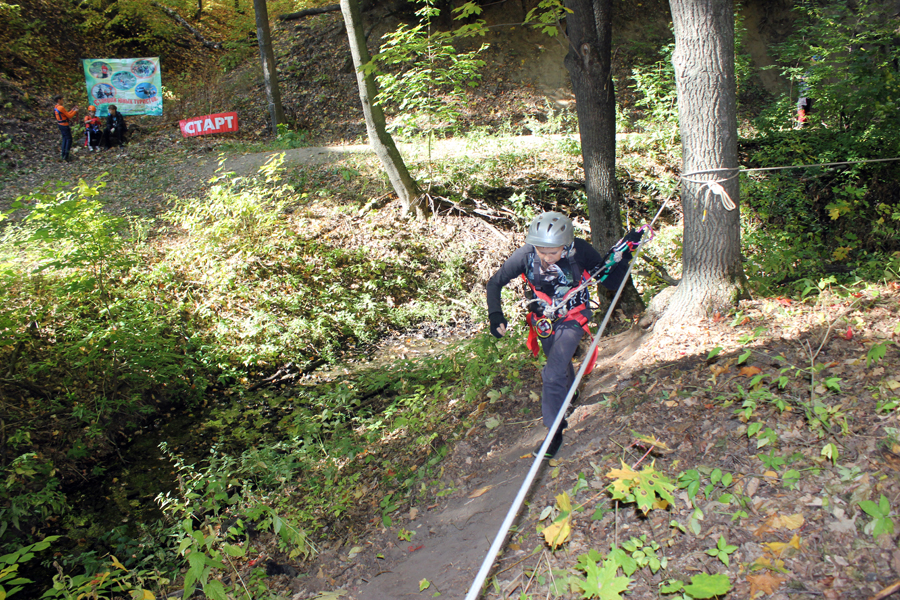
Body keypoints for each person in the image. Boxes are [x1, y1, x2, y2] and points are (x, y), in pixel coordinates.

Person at [485, 212, 616, 459]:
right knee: (558, 362)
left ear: (566, 245)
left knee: (552, 372)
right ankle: (571, 393)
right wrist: (496, 315)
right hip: (543, 320)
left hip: (573, 317)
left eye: (553, 252)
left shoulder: (581, 252)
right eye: (541, 251)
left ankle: (554, 432)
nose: (545, 257)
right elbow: (495, 283)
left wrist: (620, 261)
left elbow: (608, 281)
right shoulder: (525, 255)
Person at [53, 95, 78, 162]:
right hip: (64, 125)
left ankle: (63, 154)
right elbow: (69, 116)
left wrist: (72, 110)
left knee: (64, 139)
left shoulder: (56, 107)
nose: (63, 101)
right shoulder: (60, 107)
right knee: (69, 140)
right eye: (62, 100)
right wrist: (75, 111)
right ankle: (66, 155)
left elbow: (66, 114)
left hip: (60, 125)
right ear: (59, 100)